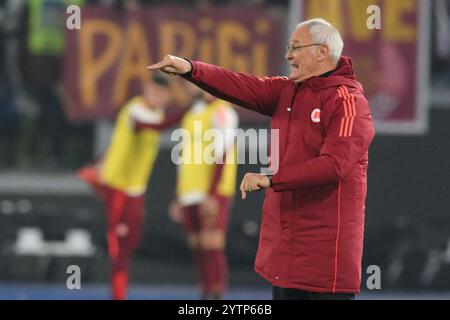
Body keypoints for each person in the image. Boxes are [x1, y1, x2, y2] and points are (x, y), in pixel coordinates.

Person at [148, 18, 375, 300]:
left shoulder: (349, 101)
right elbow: (239, 84)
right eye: (288, 46)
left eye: (295, 47)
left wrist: (271, 178)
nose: (287, 55)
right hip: (286, 255)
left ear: (322, 51)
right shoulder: (287, 92)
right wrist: (190, 68)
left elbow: (334, 165)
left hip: (326, 264)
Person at [78, 73, 186, 300]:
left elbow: (119, 143)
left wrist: (98, 163)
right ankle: (118, 294)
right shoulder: (136, 110)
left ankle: (118, 285)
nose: (156, 97)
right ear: (146, 89)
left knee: (132, 240)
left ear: (167, 97)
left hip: (135, 187)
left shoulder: (157, 113)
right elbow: (151, 126)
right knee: (119, 246)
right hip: (118, 186)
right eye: (154, 92)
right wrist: (186, 113)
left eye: (162, 94)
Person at [169, 83, 238, 300]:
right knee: (197, 245)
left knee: (212, 244)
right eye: (189, 85)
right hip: (190, 189)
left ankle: (217, 294)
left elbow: (222, 153)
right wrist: (179, 196)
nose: (193, 89)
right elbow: (183, 156)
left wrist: (213, 194)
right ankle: (205, 292)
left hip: (212, 191)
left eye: (199, 84)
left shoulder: (222, 112)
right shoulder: (191, 115)